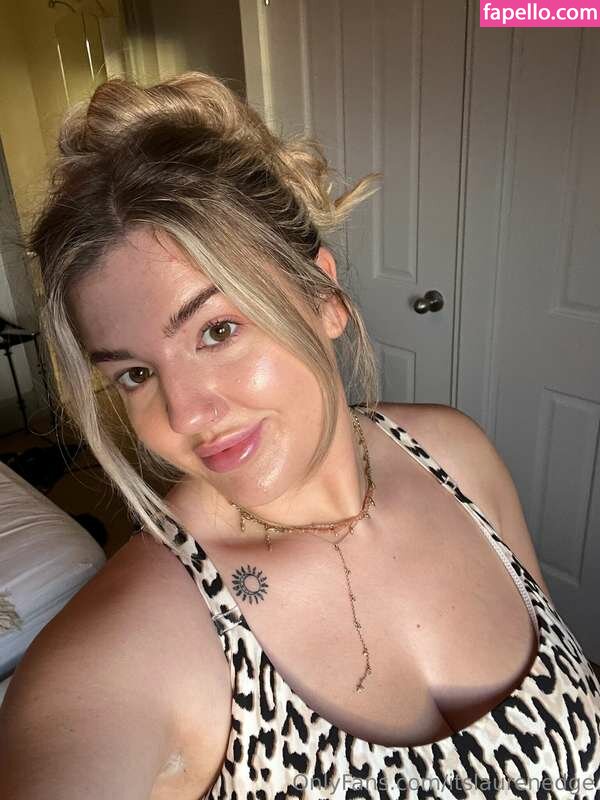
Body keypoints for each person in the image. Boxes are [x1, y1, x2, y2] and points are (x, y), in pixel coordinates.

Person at [0, 71, 598, 800]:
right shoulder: (126, 647)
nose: (185, 415)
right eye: (134, 374)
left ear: (324, 297)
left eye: (217, 330)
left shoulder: (456, 455)